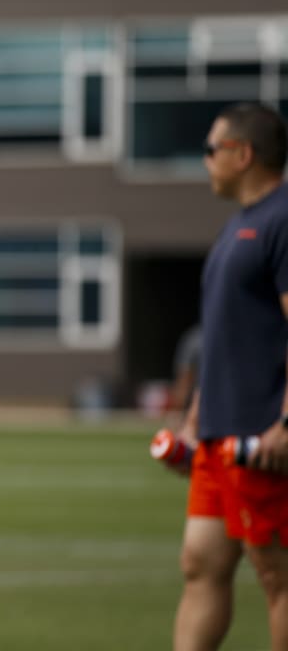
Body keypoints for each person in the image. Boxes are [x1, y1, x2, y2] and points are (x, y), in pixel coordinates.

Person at [173, 102, 288, 651]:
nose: (205, 162)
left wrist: (287, 421)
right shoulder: (236, 225)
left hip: (262, 437)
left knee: (277, 574)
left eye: (211, 150)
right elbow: (227, 331)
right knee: (199, 563)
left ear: (242, 154)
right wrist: (198, 410)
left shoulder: (283, 218)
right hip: (218, 434)